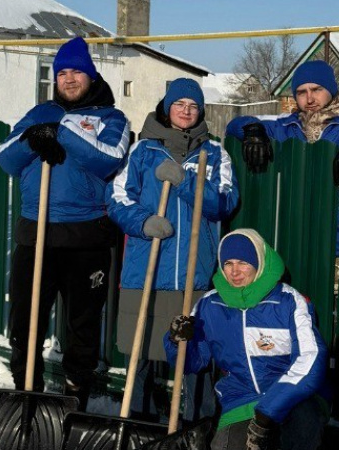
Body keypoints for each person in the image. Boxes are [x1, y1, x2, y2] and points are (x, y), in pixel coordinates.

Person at [0, 36, 129, 409]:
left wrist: (62, 131)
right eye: (62, 72)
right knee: (24, 324)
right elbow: (3, 157)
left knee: (81, 328)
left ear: (90, 75)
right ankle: (27, 396)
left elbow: (109, 160)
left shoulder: (111, 118)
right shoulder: (39, 113)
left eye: (76, 72)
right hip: (34, 234)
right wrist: (34, 137)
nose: (69, 79)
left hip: (87, 240)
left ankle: (74, 402)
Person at [107, 78, 239, 422]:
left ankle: (198, 422)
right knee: (140, 352)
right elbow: (118, 198)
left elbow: (224, 202)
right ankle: (138, 420)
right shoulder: (143, 150)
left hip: (193, 274)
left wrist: (186, 183)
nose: (186, 111)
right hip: (146, 268)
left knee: (194, 355)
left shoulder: (215, 153)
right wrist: (143, 222)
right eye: (180, 104)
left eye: (193, 106)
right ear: (167, 108)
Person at [165, 229, 329, 450]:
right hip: (239, 401)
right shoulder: (209, 305)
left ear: (259, 263)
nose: (234, 272)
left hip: (294, 398)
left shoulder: (289, 302)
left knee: (301, 428)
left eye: (243, 262)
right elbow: (191, 363)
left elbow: (311, 360)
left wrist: (266, 413)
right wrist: (177, 341)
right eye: (228, 263)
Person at [225, 60, 339, 182]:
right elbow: (233, 125)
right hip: (294, 215)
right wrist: (252, 130)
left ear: (330, 90)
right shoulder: (285, 127)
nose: (309, 99)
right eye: (302, 92)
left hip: (338, 216)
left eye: (317, 90)